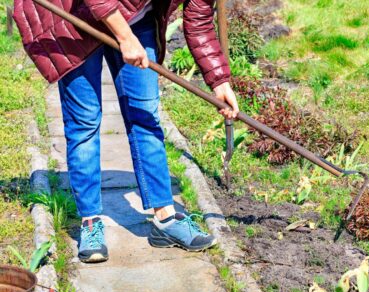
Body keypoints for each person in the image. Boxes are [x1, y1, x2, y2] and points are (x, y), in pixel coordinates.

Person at [14, 0, 239, 263]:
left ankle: (166, 218)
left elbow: (198, 21)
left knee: (145, 115)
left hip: (135, 19)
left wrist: (219, 80)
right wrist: (124, 37)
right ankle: (90, 223)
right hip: (74, 20)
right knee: (84, 122)